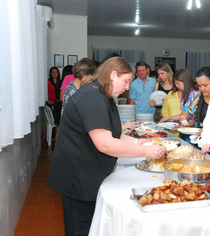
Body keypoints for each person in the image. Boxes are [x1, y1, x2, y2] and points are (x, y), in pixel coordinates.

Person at [47, 57, 166, 236]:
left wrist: (136, 142)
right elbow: (105, 143)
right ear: (113, 75)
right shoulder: (92, 98)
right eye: (126, 81)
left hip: (88, 173)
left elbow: (113, 133)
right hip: (78, 176)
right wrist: (146, 151)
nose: (127, 87)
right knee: (80, 228)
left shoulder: (104, 94)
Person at [179, 66, 210, 145]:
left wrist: (209, 132)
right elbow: (187, 111)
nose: (201, 88)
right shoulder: (197, 96)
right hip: (198, 140)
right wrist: (184, 116)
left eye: (205, 85)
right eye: (199, 85)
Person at [160, 68, 199, 136]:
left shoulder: (195, 95)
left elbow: (193, 117)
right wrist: (169, 118)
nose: (177, 86)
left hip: (191, 132)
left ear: (185, 81)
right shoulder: (185, 94)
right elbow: (184, 115)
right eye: (175, 83)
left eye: (178, 83)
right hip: (183, 130)